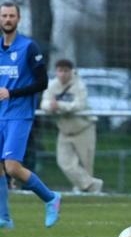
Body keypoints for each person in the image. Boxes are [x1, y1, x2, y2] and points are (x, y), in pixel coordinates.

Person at [0, 1, 61, 229]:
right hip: (0, 115)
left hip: (19, 115)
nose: (7, 19)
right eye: (4, 15)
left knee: (12, 167)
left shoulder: (28, 47)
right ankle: (4, 218)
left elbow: (42, 82)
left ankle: (51, 198)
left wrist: (12, 92)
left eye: (11, 16)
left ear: (19, 19)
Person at [40, 59, 102, 193]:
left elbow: (79, 105)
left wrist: (59, 106)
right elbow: (44, 103)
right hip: (64, 131)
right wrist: (50, 106)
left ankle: (84, 190)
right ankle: (92, 185)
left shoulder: (79, 85)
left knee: (86, 164)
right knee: (64, 162)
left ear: (71, 71)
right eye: (60, 71)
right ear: (56, 72)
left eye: (65, 71)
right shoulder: (52, 85)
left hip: (83, 129)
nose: (62, 74)